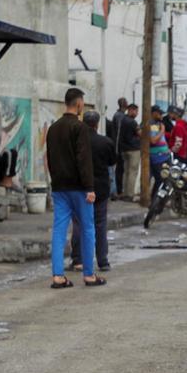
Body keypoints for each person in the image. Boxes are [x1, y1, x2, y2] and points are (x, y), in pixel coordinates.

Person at [44, 88, 105, 288]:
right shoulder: (80, 129)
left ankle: (58, 276)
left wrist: (55, 181)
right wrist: (89, 187)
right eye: (82, 103)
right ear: (78, 104)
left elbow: (50, 159)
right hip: (79, 188)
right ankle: (88, 274)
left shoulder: (53, 128)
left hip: (60, 188)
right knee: (88, 228)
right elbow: (83, 160)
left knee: (59, 230)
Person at [70, 111, 118, 273]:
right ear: (97, 124)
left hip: (80, 188)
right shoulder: (106, 142)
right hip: (101, 189)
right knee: (100, 225)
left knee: (79, 223)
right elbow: (112, 162)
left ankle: (78, 259)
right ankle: (103, 261)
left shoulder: (75, 143)